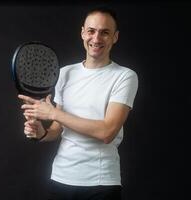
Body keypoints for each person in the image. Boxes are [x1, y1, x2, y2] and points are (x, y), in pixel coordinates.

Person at [18, 6, 138, 200]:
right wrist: (41, 133)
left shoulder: (125, 76)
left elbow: (107, 132)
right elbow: (58, 129)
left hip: (101, 182)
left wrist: (52, 113)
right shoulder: (64, 73)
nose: (96, 39)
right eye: (91, 31)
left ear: (115, 37)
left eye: (105, 33)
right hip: (60, 177)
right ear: (83, 32)